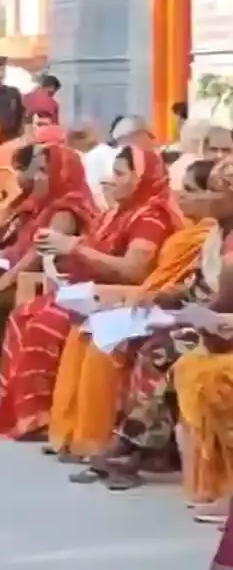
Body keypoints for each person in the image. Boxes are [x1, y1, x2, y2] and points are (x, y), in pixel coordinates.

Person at [0, 146, 181, 442]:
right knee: (24, 314)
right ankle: (33, 416)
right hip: (87, 293)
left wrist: (73, 248)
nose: (112, 180)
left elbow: (134, 271)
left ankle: (48, 420)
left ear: (140, 179)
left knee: (45, 322)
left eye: (121, 173)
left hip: (117, 297)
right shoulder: (117, 213)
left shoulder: (150, 217)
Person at [65, 160, 220, 490]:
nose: (184, 198)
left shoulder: (209, 233)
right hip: (205, 318)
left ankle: (130, 450)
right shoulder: (218, 234)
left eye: (195, 192)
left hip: (221, 326)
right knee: (145, 341)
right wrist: (168, 296)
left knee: (160, 351)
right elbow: (199, 284)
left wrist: (186, 307)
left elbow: (219, 296)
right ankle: (130, 448)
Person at [0, 144, 98, 420]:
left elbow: (36, 256)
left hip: (45, 284)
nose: (36, 178)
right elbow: (17, 248)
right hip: (19, 275)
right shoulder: (40, 205)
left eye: (43, 172)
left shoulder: (67, 209)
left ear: (61, 173)